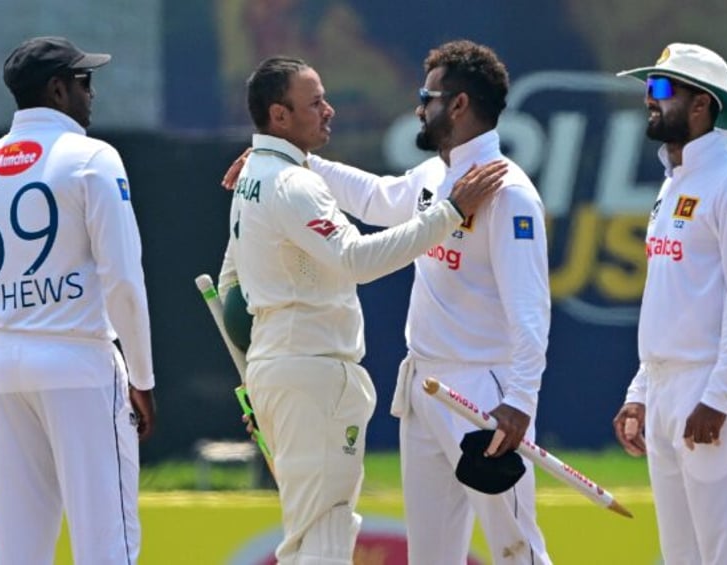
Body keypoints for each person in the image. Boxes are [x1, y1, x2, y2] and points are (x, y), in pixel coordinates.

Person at [224, 39, 552, 565]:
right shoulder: (433, 178)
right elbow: (377, 199)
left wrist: (521, 400)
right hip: (423, 388)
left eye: (429, 95)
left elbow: (531, 308)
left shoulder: (506, 191)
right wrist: (287, 159)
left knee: (517, 549)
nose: (419, 107)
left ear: (459, 105)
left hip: (484, 396)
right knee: (430, 555)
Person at [0, 36, 156, 565]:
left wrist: (1, 361)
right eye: (86, 83)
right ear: (59, 90)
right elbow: (123, 278)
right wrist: (142, 377)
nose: (94, 95)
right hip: (80, 359)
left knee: (19, 549)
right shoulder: (92, 158)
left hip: (4, 367)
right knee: (107, 545)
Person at [612, 43, 727, 565]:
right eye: (648, 88)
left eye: (660, 88)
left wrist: (719, 395)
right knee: (679, 557)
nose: (648, 100)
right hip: (665, 388)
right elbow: (667, 300)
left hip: (714, 385)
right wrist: (640, 390)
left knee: (724, 555)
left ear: (701, 103)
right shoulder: (672, 183)